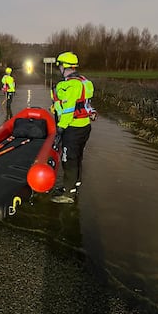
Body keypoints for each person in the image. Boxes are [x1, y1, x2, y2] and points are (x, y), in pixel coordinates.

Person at [51, 51, 97, 204]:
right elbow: (85, 104)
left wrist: (60, 128)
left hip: (72, 128)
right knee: (77, 157)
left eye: (60, 67)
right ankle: (72, 186)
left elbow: (69, 109)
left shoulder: (69, 85)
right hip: (85, 127)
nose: (59, 70)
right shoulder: (85, 82)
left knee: (68, 159)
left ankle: (68, 195)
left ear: (64, 67)